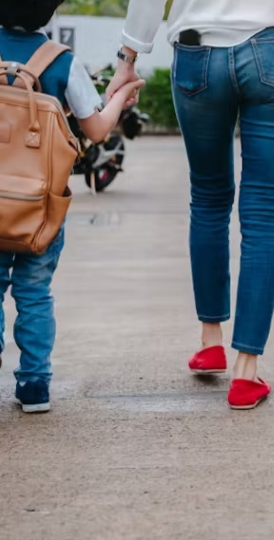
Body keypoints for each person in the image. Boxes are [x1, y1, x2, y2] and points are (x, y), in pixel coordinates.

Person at [104, 0, 274, 410]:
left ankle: (210, 342)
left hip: (198, 53)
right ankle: (246, 371)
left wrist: (127, 58)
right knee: (264, 213)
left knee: (207, 199)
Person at [0, 0, 144, 413]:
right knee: (34, 292)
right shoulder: (62, 62)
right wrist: (121, 95)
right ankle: (33, 385)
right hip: (38, 208)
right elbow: (97, 130)